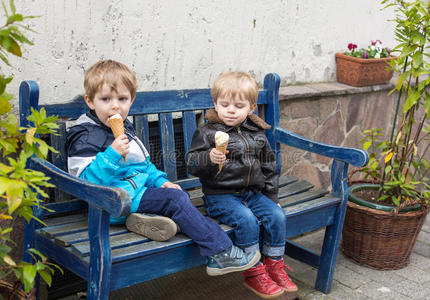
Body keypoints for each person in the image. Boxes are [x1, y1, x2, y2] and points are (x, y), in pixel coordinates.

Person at [65, 60, 260, 276]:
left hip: (135, 195)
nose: (115, 106)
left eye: (122, 99)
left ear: (132, 100)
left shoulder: (124, 127)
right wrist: (111, 154)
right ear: (90, 101)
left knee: (175, 193)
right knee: (175, 201)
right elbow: (85, 183)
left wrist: (160, 181)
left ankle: (144, 220)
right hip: (109, 203)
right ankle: (221, 252)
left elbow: (143, 167)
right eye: (105, 99)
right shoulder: (84, 135)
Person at [186, 71, 298, 298]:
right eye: (224, 104)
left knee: (277, 216)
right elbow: (191, 163)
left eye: (238, 106)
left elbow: (268, 167)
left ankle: (274, 264)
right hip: (220, 196)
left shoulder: (257, 132)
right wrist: (209, 158)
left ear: (251, 108)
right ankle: (252, 271)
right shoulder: (207, 132)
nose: (230, 110)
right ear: (215, 104)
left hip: (253, 194)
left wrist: (272, 198)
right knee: (247, 221)